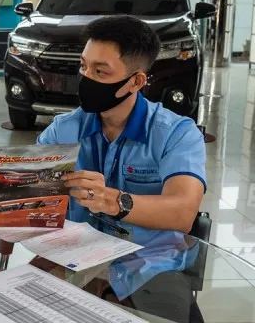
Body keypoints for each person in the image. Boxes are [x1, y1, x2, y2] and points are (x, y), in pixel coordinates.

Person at [37, 15, 206, 241]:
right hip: (75, 257)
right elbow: (29, 198)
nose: (86, 78)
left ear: (136, 82)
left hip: (149, 265)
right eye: (83, 66)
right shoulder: (62, 131)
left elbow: (183, 214)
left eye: (100, 72)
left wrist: (111, 200)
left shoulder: (177, 135)